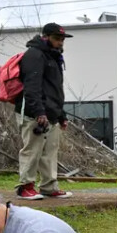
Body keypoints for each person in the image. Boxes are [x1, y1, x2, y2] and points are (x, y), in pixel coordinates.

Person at [14, 22, 74, 201]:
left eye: (62, 39)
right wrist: (39, 112)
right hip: (34, 113)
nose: (61, 42)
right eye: (57, 38)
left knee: (50, 151)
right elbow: (32, 88)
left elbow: (55, 90)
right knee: (32, 149)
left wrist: (61, 116)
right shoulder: (34, 55)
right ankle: (25, 187)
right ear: (46, 37)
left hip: (52, 113)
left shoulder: (54, 57)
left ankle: (49, 186)